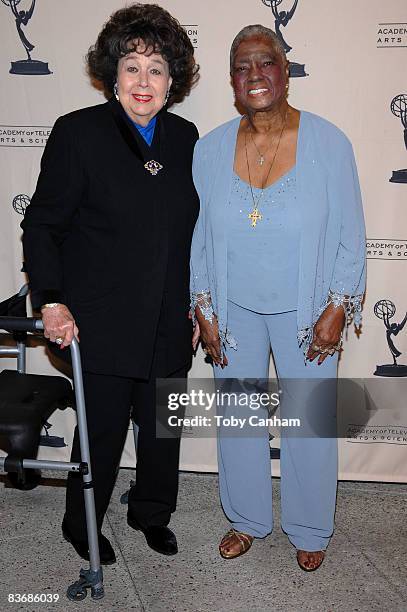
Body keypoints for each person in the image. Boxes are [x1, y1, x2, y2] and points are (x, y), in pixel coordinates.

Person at [21, 3, 199, 564]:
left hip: (170, 321)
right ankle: (83, 524)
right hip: (99, 319)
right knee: (97, 435)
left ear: (173, 81)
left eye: (156, 69)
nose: (143, 81)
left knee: (162, 433)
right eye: (132, 66)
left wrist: (200, 305)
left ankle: (151, 513)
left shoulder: (188, 139)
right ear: (112, 74)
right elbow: (42, 225)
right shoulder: (79, 133)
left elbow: (199, 232)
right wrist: (51, 301)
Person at [190, 24, 365, 571]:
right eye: (242, 67)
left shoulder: (329, 142)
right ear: (232, 81)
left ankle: (310, 525)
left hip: (307, 308)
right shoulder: (210, 148)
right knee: (239, 418)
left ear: (285, 71)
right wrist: (205, 307)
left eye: (265, 62)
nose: (254, 75)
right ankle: (246, 519)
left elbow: (351, 234)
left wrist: (339, 304)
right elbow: (198, 235)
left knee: (308, 421)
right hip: (235, 309)